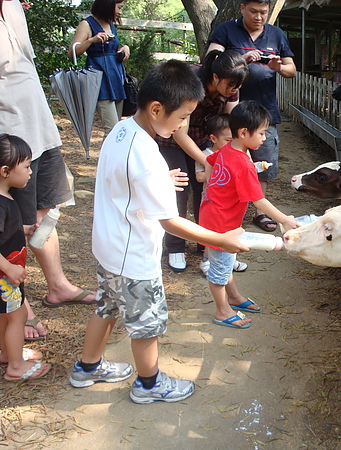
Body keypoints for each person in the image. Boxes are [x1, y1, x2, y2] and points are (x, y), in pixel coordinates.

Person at [69, 60, 249, 404]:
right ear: (156, 109)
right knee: (147, 324)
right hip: (133, 254)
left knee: (106, 306)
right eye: (182, 117)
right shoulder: (148, 153)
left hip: (108, 245)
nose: (183, 125)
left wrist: (157, 182)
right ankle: (149, 384)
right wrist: (221, 240)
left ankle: (87, 366)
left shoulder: (122, 129)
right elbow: (170, 222)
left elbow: (122, 179)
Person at [0, 0, 96, 342]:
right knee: (14, 227)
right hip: (9, 137)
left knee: (45, 215)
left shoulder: (13, 6)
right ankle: (19, 308)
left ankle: (58, 286)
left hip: (39, 126)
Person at [199, 100, 298, 329]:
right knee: (219, 270)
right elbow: (258, 200)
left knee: (225, 261)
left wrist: (214, 188)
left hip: (212, 214)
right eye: (262, 133)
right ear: (244, 132)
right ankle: (223, 311)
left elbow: (211, 160)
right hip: (222, 223)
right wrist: (284, 219)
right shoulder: (243, 163)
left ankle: (234, 298)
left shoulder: (227, 149)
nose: (264, 138)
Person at [206, 0, 297, 233]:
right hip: (229, 108)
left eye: (263, 13)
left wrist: (279, 67)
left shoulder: (276, 34)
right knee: (228, 158)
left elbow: (292, 69)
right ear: (242, 8)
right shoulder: (225, 30)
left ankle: (261, 213)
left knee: (262, 162)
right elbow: (211, 59)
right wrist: (240, 61)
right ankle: (224, 204)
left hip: (265, 109)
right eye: (254, 11)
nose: (259, 17)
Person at [156, 49, 249, 272]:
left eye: (238, 86)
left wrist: (242, 155)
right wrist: (208, 161)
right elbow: (179, 133)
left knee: (207, 192)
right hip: (173, 138)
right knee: (180, 189)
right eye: (231, 85)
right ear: (215, 77)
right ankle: (175, 246)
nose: (234, 90)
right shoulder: (192, 83)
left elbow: (233, 125)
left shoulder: (231, 88)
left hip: (205, 139)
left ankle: (205, 244)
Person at [0, 134, 51, 381]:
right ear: (5, 171)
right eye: (27, 166)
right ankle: (16, 365)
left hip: (7, 276)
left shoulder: (5, 198)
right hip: (5, 277)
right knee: (18, 317)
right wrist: (9, 268)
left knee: (5, 316)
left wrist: (24, 230)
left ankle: (6, 352)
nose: (31, 172)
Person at [68, 0, 130, 137]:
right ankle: (107, 158)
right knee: (112, 129)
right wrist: (91, 40)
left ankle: (112, 158)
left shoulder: (110, 24)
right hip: (99, 81)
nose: (120, 11)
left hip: (116, 78)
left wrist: (124, 48)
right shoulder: (87, 24)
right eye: (119, 7)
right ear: (108, 5)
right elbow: (73, 51)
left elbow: (111, 49)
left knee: (117, 127)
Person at [195, 113, 247, 276]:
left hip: (230, 203)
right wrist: (218, 173)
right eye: (227, 140)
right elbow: (199, 176)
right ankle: (207, 260)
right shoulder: (207, 154)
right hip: (213, 203)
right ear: (213, 138)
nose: (231, 143)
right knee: (213, 234)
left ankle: (229, 259)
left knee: (232, 229)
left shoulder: (235, 154)